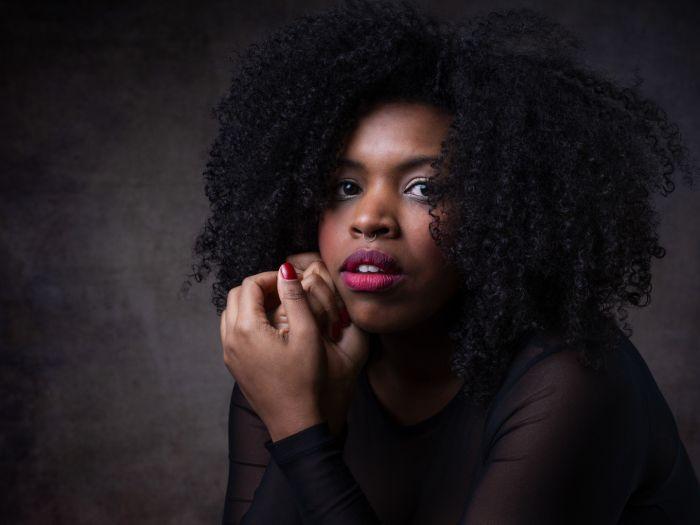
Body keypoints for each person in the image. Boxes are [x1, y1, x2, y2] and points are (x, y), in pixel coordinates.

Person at [185, 1, 700, 523]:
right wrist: (315, 404)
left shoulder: (572, 382)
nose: (369, 219)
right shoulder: (287, 361)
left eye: (424, 188)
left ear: (501, 210)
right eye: (345, 187)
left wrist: (301, 432)